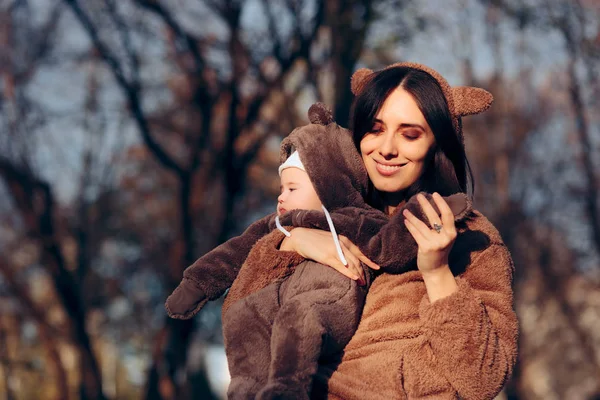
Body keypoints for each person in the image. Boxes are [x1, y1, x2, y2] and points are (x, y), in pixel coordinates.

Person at [165, 103, 470, 399]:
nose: (282, 198)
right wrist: (197, 283)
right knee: (244, 335)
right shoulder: (276, 227)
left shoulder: (354, 219)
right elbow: (232, 253)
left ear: (327, 187)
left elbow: (388, 242)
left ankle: (287, 389)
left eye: (293, 189)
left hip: (326, 296)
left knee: (299, 319)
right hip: (265, 303)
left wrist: (433, 212)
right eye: (281, 189)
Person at [253, 62, 519, 399]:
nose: (387, 148)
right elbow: (249, 324)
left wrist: (438, 274)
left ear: (437, 144)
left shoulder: (473, 239)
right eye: (376, 129)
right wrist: (292, 243)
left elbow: (483, 379)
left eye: (409, 134)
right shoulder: (322, 215)